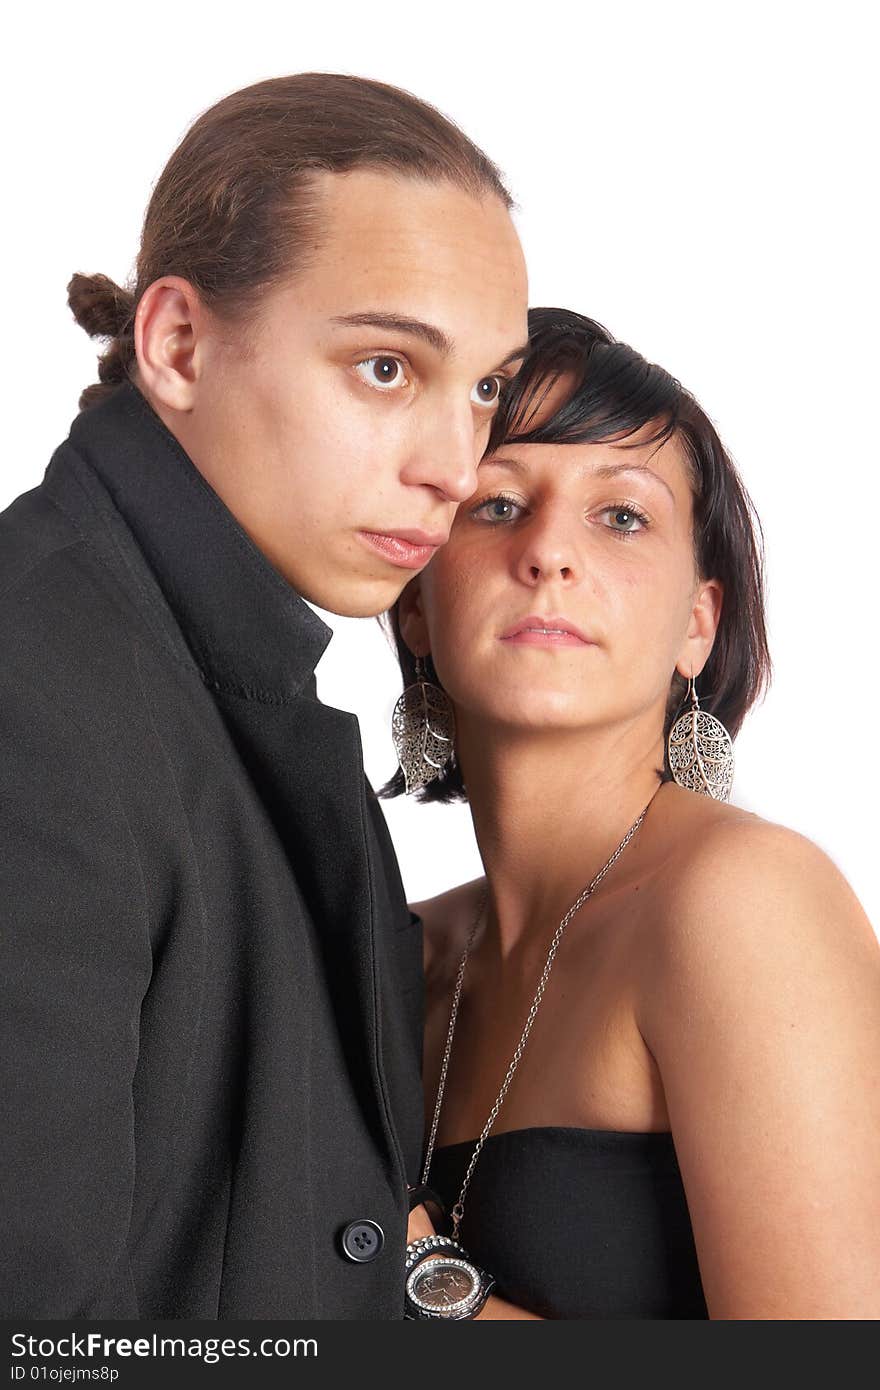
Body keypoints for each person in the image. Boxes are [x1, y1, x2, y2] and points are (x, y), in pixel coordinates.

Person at [0, 73, 528, 1319]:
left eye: (488, 387)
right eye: (387, 366)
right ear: (177, 345)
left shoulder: (220, 676)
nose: (455, 465)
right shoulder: (40, 689)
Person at [388, 308, 880, 1319]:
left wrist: (420, 1283)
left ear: (696, 624)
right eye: (493, 506)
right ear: (412, 602)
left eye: (619, 516)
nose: (548, 555)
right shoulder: (398, 951)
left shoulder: (740, 903)